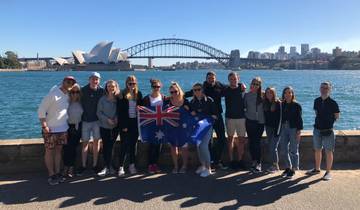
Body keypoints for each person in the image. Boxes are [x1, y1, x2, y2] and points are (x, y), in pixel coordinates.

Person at [38, 76, 76, 185]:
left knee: (58, 151)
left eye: (72, 83)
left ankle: (58, 172)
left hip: (63, 128)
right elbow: (41, 109)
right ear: (63, 82)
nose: (70, 84)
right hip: (50, 129)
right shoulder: (53, 94)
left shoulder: (68, 95)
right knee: (49, 151)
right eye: (68, 82)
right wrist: (44, 126)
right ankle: (51, 174)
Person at [306, 82, 340, 180]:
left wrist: (328, 123)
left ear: (329, 89)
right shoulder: (316, 101)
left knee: (328, 151)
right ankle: (317, 169)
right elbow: (317, 113)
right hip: (317, 129)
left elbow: (337, 116)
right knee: (317, 149)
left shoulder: (333, 103)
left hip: (328, 130)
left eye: (326, 88)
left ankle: (328, 172)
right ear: (320, 89)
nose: (324, 89)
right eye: (322, 88)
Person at [78, 72, 105, 175]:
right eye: (93, 79)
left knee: (96, 142)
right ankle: (83, 165)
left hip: (97, 121)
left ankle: (95, 165)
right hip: (85, 121)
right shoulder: (83, 90)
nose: (95, 81)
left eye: (97, 79)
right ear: (89, 79)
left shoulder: (102, 91)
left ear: (99, 80)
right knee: (84, 143)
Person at [189, 83, 217, 177]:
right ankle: (203, 165)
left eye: (199, 89)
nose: (197, 91)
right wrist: (192, 112)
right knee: (198, 146)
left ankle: (209, 169)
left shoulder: (209, 100)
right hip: (197, 127)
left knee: (204, 146)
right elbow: (192, 114)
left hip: (207, 127)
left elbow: (215, 114)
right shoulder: (192, 102)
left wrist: (210, 117)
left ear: (202, 90)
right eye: (195, 90)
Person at [117, 75, 143, 177]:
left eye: (134, 83)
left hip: (135, 123)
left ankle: (132, 165)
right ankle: (121, 166)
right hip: (126, 123)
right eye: (130, 83)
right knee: (124, 145)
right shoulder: (122, 94)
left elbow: (142, 107)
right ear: (126, 83)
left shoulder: (138, 94)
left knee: (133, 145)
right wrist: (123, 125)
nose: (132, 85)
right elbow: (120, 111)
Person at [223, 72, 247, 170]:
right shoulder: (225, 90)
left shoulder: (242, 88)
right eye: (231, 79)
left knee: (241, 140)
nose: (233, 80)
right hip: (230, 118)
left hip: (241, 118)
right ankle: (232, 160)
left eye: (235, 79)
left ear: (238, 79)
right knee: (230, 139)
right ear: (229, 80)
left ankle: (240, 160)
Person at [165, 82, 191, 174]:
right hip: (171, 127)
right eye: (171, 92)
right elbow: (162, 113)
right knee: (173, 147)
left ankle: (184, 166)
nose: (174, 94)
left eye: (175, 91)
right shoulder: (167, 101)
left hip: (184, 128)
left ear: (179, 91)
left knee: (184, 147)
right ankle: (175, 166)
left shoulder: (186, 101)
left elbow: (192, 114)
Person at [142, 78, 166, 174]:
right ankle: (150, 164)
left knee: (158, 146)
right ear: (151, 87)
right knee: (152, 145)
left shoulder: (164, 98)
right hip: (150, 126)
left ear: (161, 87)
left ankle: (155, 164)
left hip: (161, 126)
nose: (156, 88)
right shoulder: (146, 99)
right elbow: (142, 111)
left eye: (158, 87)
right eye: (154, 86)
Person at [97, 80, 120, 177]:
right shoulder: (102, 99)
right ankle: (106, 167)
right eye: (109, 86)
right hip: (104, 126)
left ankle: (110, 166)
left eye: (113, 86)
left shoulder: (118, 99)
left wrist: (116, 118)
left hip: (115, 126)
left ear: (116, 87)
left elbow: (121, 110)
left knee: (112, 146)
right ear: (106, 87)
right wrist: (107, 120)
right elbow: (99, 112)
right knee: (106, 146)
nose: (111, 88)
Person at [280, 86, 303, 178]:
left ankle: (293, 169)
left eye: (290, 92)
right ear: (284, 94)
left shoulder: (297, 105)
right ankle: (288, 167)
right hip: (283, 128)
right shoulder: (282, 104)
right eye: (286, 93)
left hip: (293, 128)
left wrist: (299, 131)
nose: (288, 94)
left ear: (292, 94)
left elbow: (299, 119)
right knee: (283, 149)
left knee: (293, 149)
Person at [244, 77, 265, 173]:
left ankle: (259, 163)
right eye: (254, 83)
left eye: (257, 84)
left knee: (257, 143)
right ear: (251, 84)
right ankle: (253, 161)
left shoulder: (263, 95)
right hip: (249, 121)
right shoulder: (247, 95)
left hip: (260, 122)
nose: (255, 86)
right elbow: (244, 107)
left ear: (259, 86)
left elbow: (273, 101)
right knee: (251, 142)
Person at [63, 83, 83, 178]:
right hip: (67, 127)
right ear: (69, 92)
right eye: (73, 92)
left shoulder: (81, 103)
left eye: (77, 92)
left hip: (77, 127)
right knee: (66, 149)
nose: (75, 94)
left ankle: (70, 168)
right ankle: (66, 167)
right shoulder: (66, 102)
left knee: (73, 149)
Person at [263, 87, 282, 173]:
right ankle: (273, 165)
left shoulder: (278, 103)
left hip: (276, 129)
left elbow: (280, 118)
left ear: (274, 93)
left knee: (273, 147)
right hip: (268, 128)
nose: (268, 94)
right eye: (267, 93)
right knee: (271, 146)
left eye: (270, 93)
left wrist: (277, 131)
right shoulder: (266, 103)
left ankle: (275, 166)